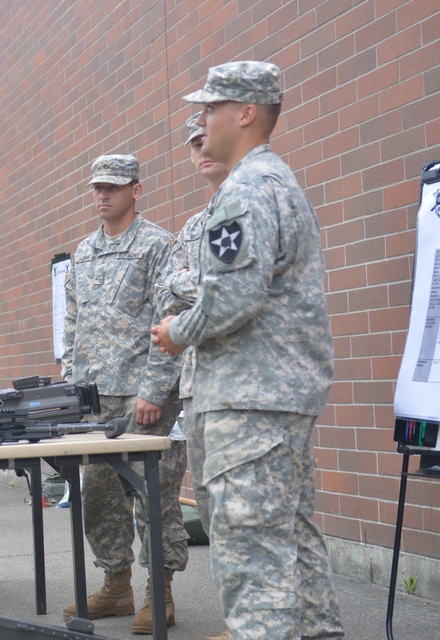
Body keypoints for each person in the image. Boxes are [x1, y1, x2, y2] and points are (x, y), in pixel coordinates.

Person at [151, 61, 344, 640]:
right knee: (291, 537)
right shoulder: (275, 181)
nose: (201, 121)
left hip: (250, 401)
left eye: (210, 108)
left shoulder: (246, 190)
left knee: (252, 557)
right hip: (274, 400)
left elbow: (233, 298)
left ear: (246, 113)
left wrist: (176, 332)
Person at [60, 154, 188, 635]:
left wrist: (155, 389)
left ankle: (161, 593)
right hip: (96, 398)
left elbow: (169, 320)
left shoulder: (159, 246)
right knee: (97, 495)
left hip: (144, 397)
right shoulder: (84, 251)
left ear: (136, 189)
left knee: (153, 496)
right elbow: (72, 323)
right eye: (96, 187)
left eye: (112, 187)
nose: (102, 195)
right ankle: (116, 585)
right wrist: (73, 388)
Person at [156, 113, 232, 640]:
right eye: (192, 144)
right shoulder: (192, 225)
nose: (200, 149)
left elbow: (222, 285)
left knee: (246, 513)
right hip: (197, 386)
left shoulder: (252, 200)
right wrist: (196, 281)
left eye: (207, 138)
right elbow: (170, 286)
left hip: (243, 387)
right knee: (213, 507)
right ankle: (240, 623)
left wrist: (193, 281)